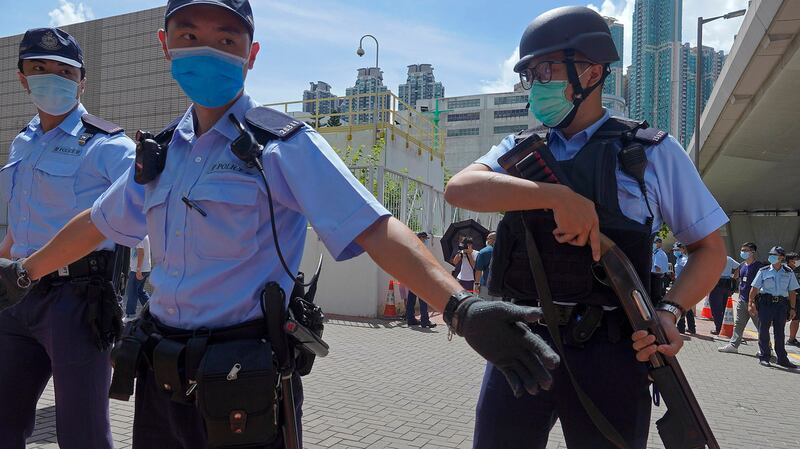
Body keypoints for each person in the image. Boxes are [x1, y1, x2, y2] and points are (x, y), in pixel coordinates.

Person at [0, 2, 561, 448]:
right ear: (165, 44)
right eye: (190, 35)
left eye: (227, 40)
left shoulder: (280, 146)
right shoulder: (161, 153)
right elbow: (95, 223)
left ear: (252, 54)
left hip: (242, 380)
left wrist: (457, 306)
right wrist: (23, 273)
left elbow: (373, 227)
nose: (207, 50)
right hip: (161, 378)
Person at [444, 6, 728, 448]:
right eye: (531, 74)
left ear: (593, 72)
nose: (538, 84)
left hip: (612, 348)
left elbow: (709, 249)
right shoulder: (519, 152)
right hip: (522, 342)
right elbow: (461, 188)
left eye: (548, 69)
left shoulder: (648, 152)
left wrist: (669, 312)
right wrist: (556, 197)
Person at [0, 28, 135, 449]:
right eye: (39, 68)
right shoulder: (22, 143)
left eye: (64, 70)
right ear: (22, 77)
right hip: (16, 295)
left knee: (83, 433)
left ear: (82, 81)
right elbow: (19, 224)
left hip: (76, 301)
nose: (51, 77)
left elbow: (149, 209)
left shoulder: (110, 146)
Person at [749, 246, 798, 368]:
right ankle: (764, 356)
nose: (771, 257)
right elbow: (754, 288)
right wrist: (751, 303)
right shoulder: (763, 270)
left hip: (781, 305)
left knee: (780, 332)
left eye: (774, 255)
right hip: (766, 304)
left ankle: (782, 358)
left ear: (781, 257)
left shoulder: (788, 272)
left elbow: (792, 291)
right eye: (770, 254)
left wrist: (792, 308)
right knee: (764, 330)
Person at [719, 242, 764, 353]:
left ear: (752, 252)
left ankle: (766, 348)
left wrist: (753, 301)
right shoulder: (742, 265)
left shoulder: (759, 267)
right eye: (742, 250)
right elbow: (739, 281)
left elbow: (761, 284)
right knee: (738, 324)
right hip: (742, 300)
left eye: (745, 250)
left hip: (754, 302)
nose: (742, 252)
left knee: (761, 326)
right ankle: (733, 345)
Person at [405, 232, 436, 328]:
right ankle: (425, 320)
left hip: (412, 276)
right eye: (424, 239)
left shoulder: (411, 247)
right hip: (419, 277)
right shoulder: (420, 248)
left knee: (411, 299)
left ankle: (410, 319)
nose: (425, 241)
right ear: (420, 238)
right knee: (423, 299)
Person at [708, 254, 741, 335]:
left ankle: (719, 329)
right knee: (724, 308)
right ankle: (725, 328)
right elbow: (738, 266)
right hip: (727, 286)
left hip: (716, 285)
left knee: (716, 309)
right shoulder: (728, 258)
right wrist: (733, 278)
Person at [124, 236, 152, 321]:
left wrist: (138, 270)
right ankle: (152, 310)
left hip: (139, 269)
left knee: (131, 292)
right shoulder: (144, 235)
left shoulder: (139, 236)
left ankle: (130, 315)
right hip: (144, 268)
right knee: (140, 291)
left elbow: (141, 252)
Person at [673, 242, 695, 334]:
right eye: (674, 250)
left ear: (682, 249)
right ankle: (691, 328)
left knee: (680, 306)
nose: (675, 252)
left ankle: (681, 328)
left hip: (683, 285)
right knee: (687, 308)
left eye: (677, 250)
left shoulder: (684, 259)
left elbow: (690, 270)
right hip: (680, 284)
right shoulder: (679, 259)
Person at [474, 231, 499, 299]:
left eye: (488, 238)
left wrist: (477, 284)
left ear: (492, 240)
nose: (487, 240)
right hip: (500, 287)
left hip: (486, 285)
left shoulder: (483, 252)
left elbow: (478, 270)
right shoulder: (505, 252)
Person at [784, 252, 800, 347]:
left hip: (797, 298)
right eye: (796, 259)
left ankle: (792, 339)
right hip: (788, 299)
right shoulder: (785, 270)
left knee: (796, 319)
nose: (798, 261)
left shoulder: (796, 269)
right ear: (790, 261)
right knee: (785, 319)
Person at [650, 237, 669, 304]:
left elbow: (658, 268)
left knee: (656, 297)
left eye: (655, 242)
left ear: (660, 243)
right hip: (659, 277)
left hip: (658, 278)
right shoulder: (656, 252)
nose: (653, 244)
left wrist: (655, 281)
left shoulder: (658, 253)